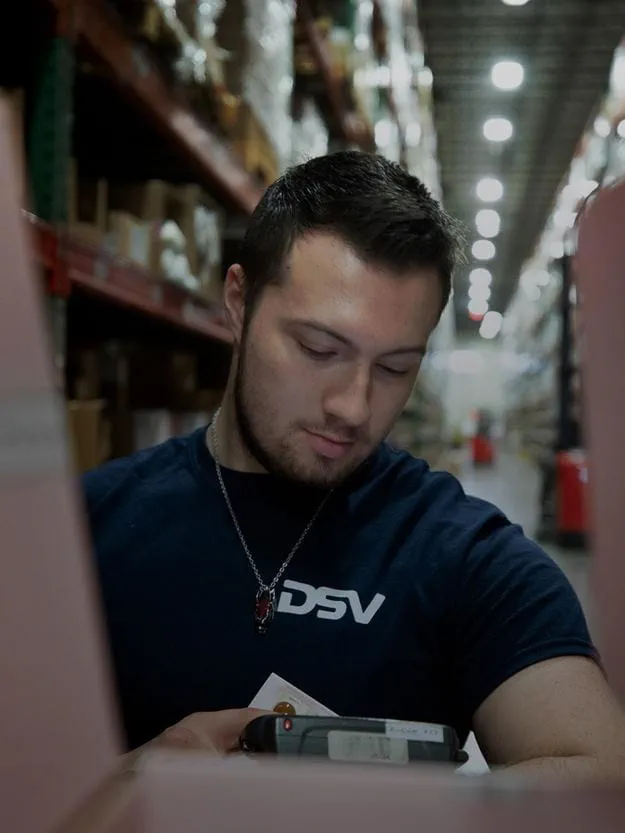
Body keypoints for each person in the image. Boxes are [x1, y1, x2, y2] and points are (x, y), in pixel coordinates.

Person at [84, 151, 625, 778]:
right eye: (319, 349)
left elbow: (602, 777)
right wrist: (130, 787)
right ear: (238, 302)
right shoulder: (81, 527)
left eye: (396, 367)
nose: (354, 406)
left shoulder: (464, 554)